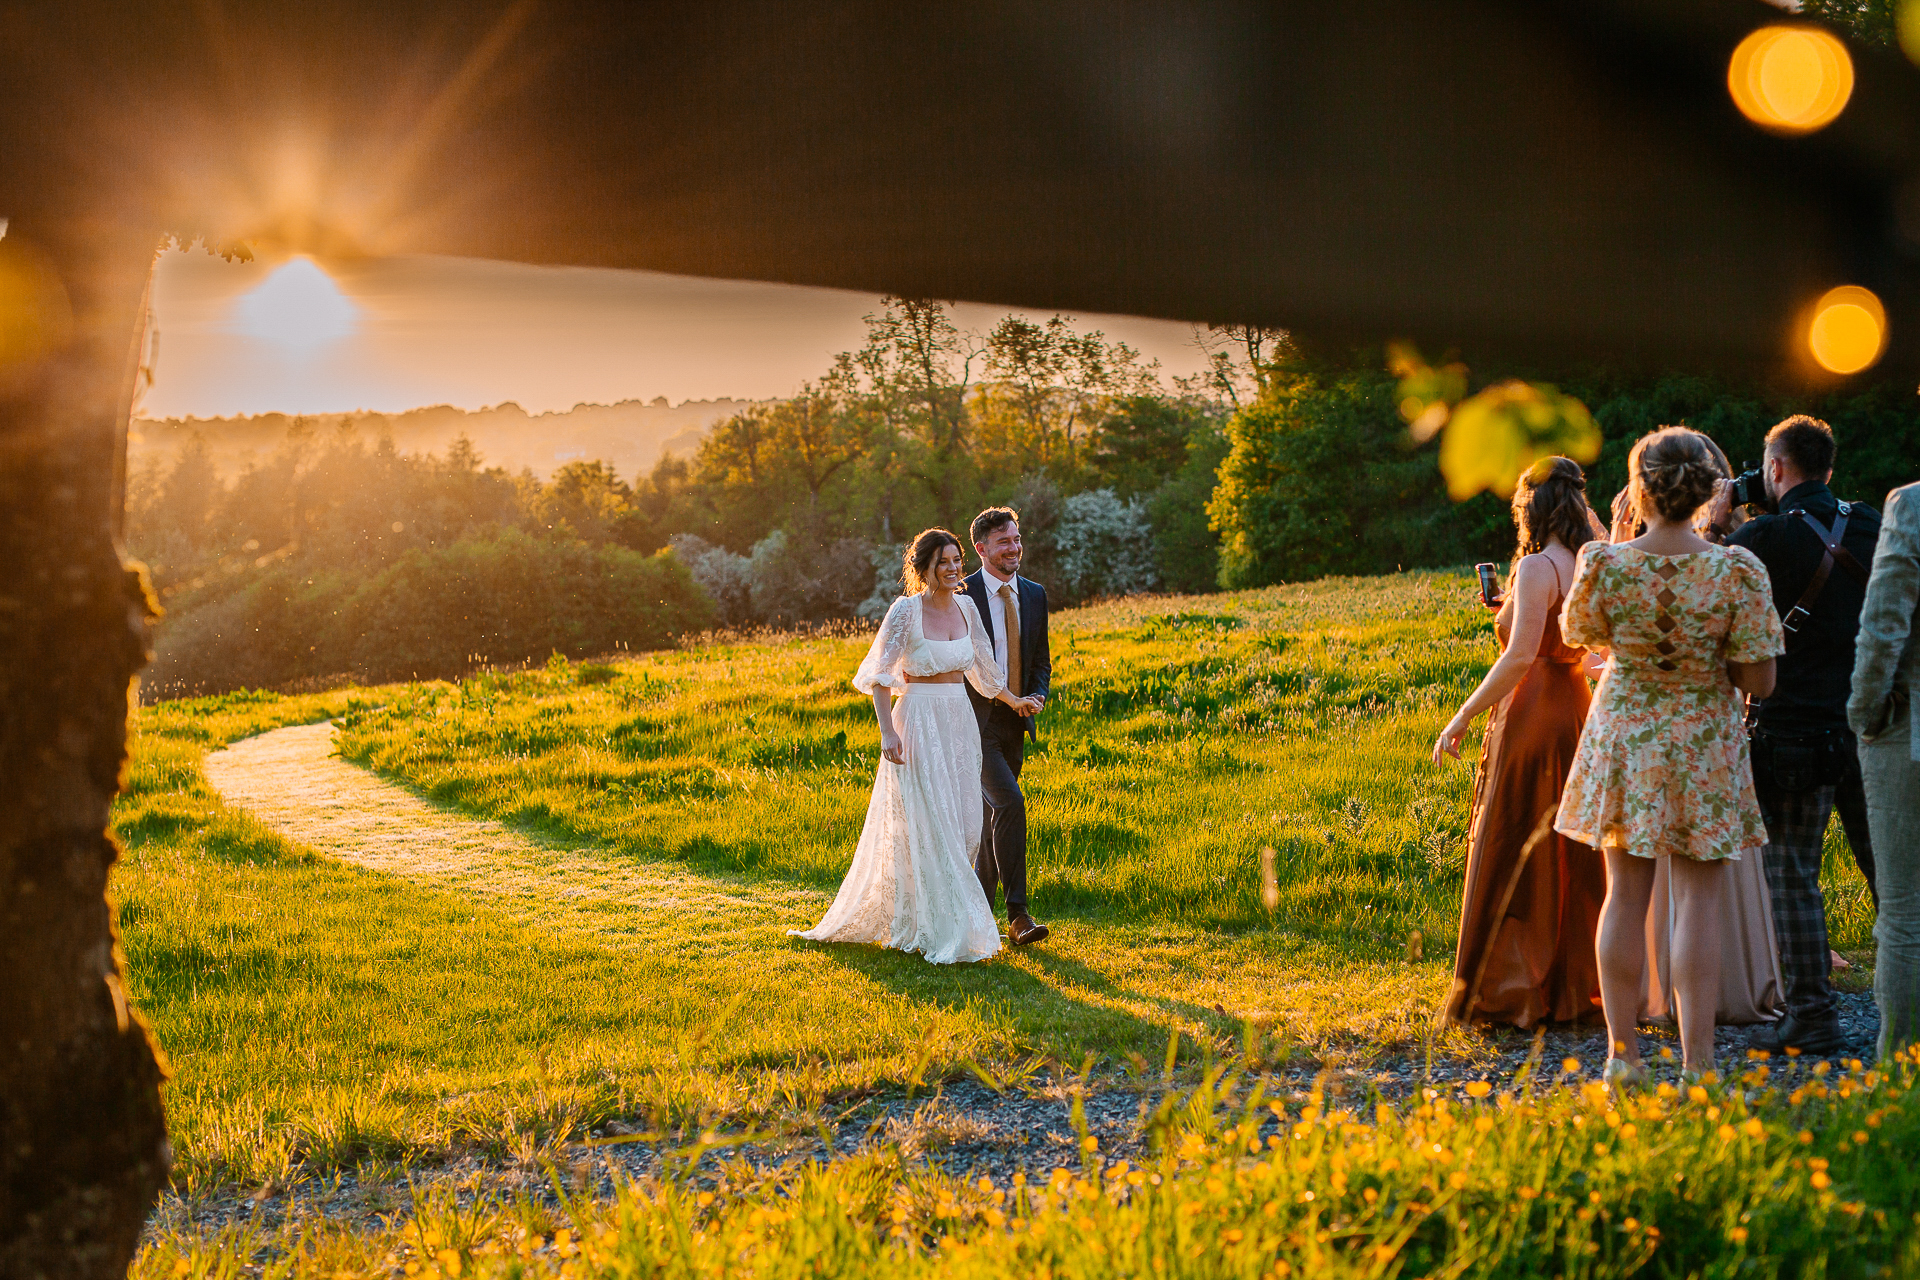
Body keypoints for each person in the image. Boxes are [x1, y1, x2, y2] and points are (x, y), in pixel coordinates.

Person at [1555, 427, 1784, 1083]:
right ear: (1712, 490)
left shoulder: (1604, 561)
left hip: (1625, 734)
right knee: (1698, 906)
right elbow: (1759, 680)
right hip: (1704, 738)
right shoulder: (1735, 569)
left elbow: (1581, 635)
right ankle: (1698, 1065)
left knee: (1624, 897)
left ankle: (1621, 1059)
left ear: (1642, 487)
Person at [1702, 415, 1881, 1058]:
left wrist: (1719, 521)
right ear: (1827, 468)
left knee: (1793, 874)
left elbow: (1708, 595)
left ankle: (1812, 1018)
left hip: (1792, 735)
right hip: (1868, 727)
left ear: (1776, 469)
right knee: (1886, 872)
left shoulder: (1762, 535)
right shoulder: (1870, 524)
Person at [789, 528, 1042, 964]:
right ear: (923, 567)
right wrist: (888, 733)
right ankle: (941, 925)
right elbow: (881, 678)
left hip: (959, 724)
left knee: (964, 823)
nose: (952, 569)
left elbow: (983, 667)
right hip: (918, 723)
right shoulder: (905, 611)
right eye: (942, 562)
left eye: (956, 561)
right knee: (931, 822)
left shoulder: (966, 606)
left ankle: (944, 912)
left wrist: (1014, 699)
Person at [1432, 457, 1607, 1028]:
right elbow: (1570, 640)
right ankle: (1575, 985)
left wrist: (1461, 715)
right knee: (1570, 851)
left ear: (1530, 508)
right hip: (1577, 707)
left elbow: (1520, 656)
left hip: (1534, 714)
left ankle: (1512, 986)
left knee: (1517, 845)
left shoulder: (1537, 568)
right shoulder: (1591, 561)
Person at [1849, 481, 1920, 1058]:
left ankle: (1903, 1073)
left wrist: (1862, 713)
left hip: (1911, 730)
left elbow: (1883, 626)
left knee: (1905, 918)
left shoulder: (1913, 505)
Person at [963, 507, 1053, 946]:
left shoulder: (1035, 594)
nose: (1014, 548)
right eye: (1004, 542)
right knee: (1010, 803)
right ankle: (1018, 914)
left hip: (1016, 723)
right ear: (981, 549)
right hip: (974, 722)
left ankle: (980, 911)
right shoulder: (962, 595)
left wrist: (1037, 694)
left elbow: (1041, 661)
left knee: (992, 820)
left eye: (1017, 539)